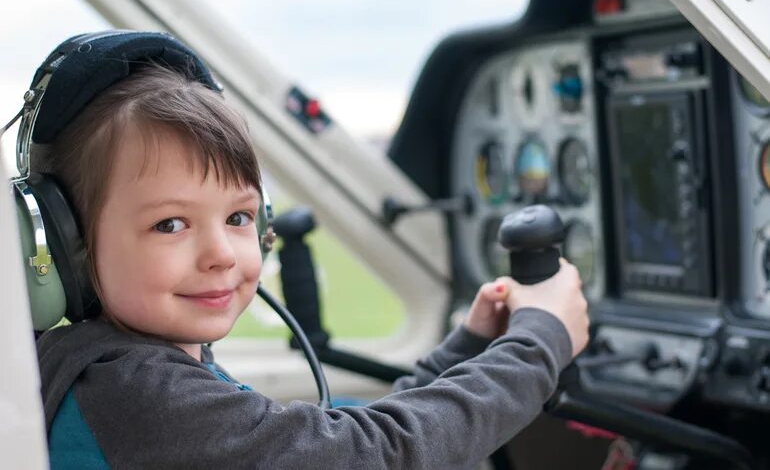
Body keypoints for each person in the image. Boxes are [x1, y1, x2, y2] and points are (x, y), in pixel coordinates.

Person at [34, 52, 589, 469]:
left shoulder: (113, 366)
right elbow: (372, 456)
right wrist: (541, 339)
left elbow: (326, 441)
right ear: (67, 244)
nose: (221, 255)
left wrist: (467, 348)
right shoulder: (139, 394)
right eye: (170, 224)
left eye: (238, 217)